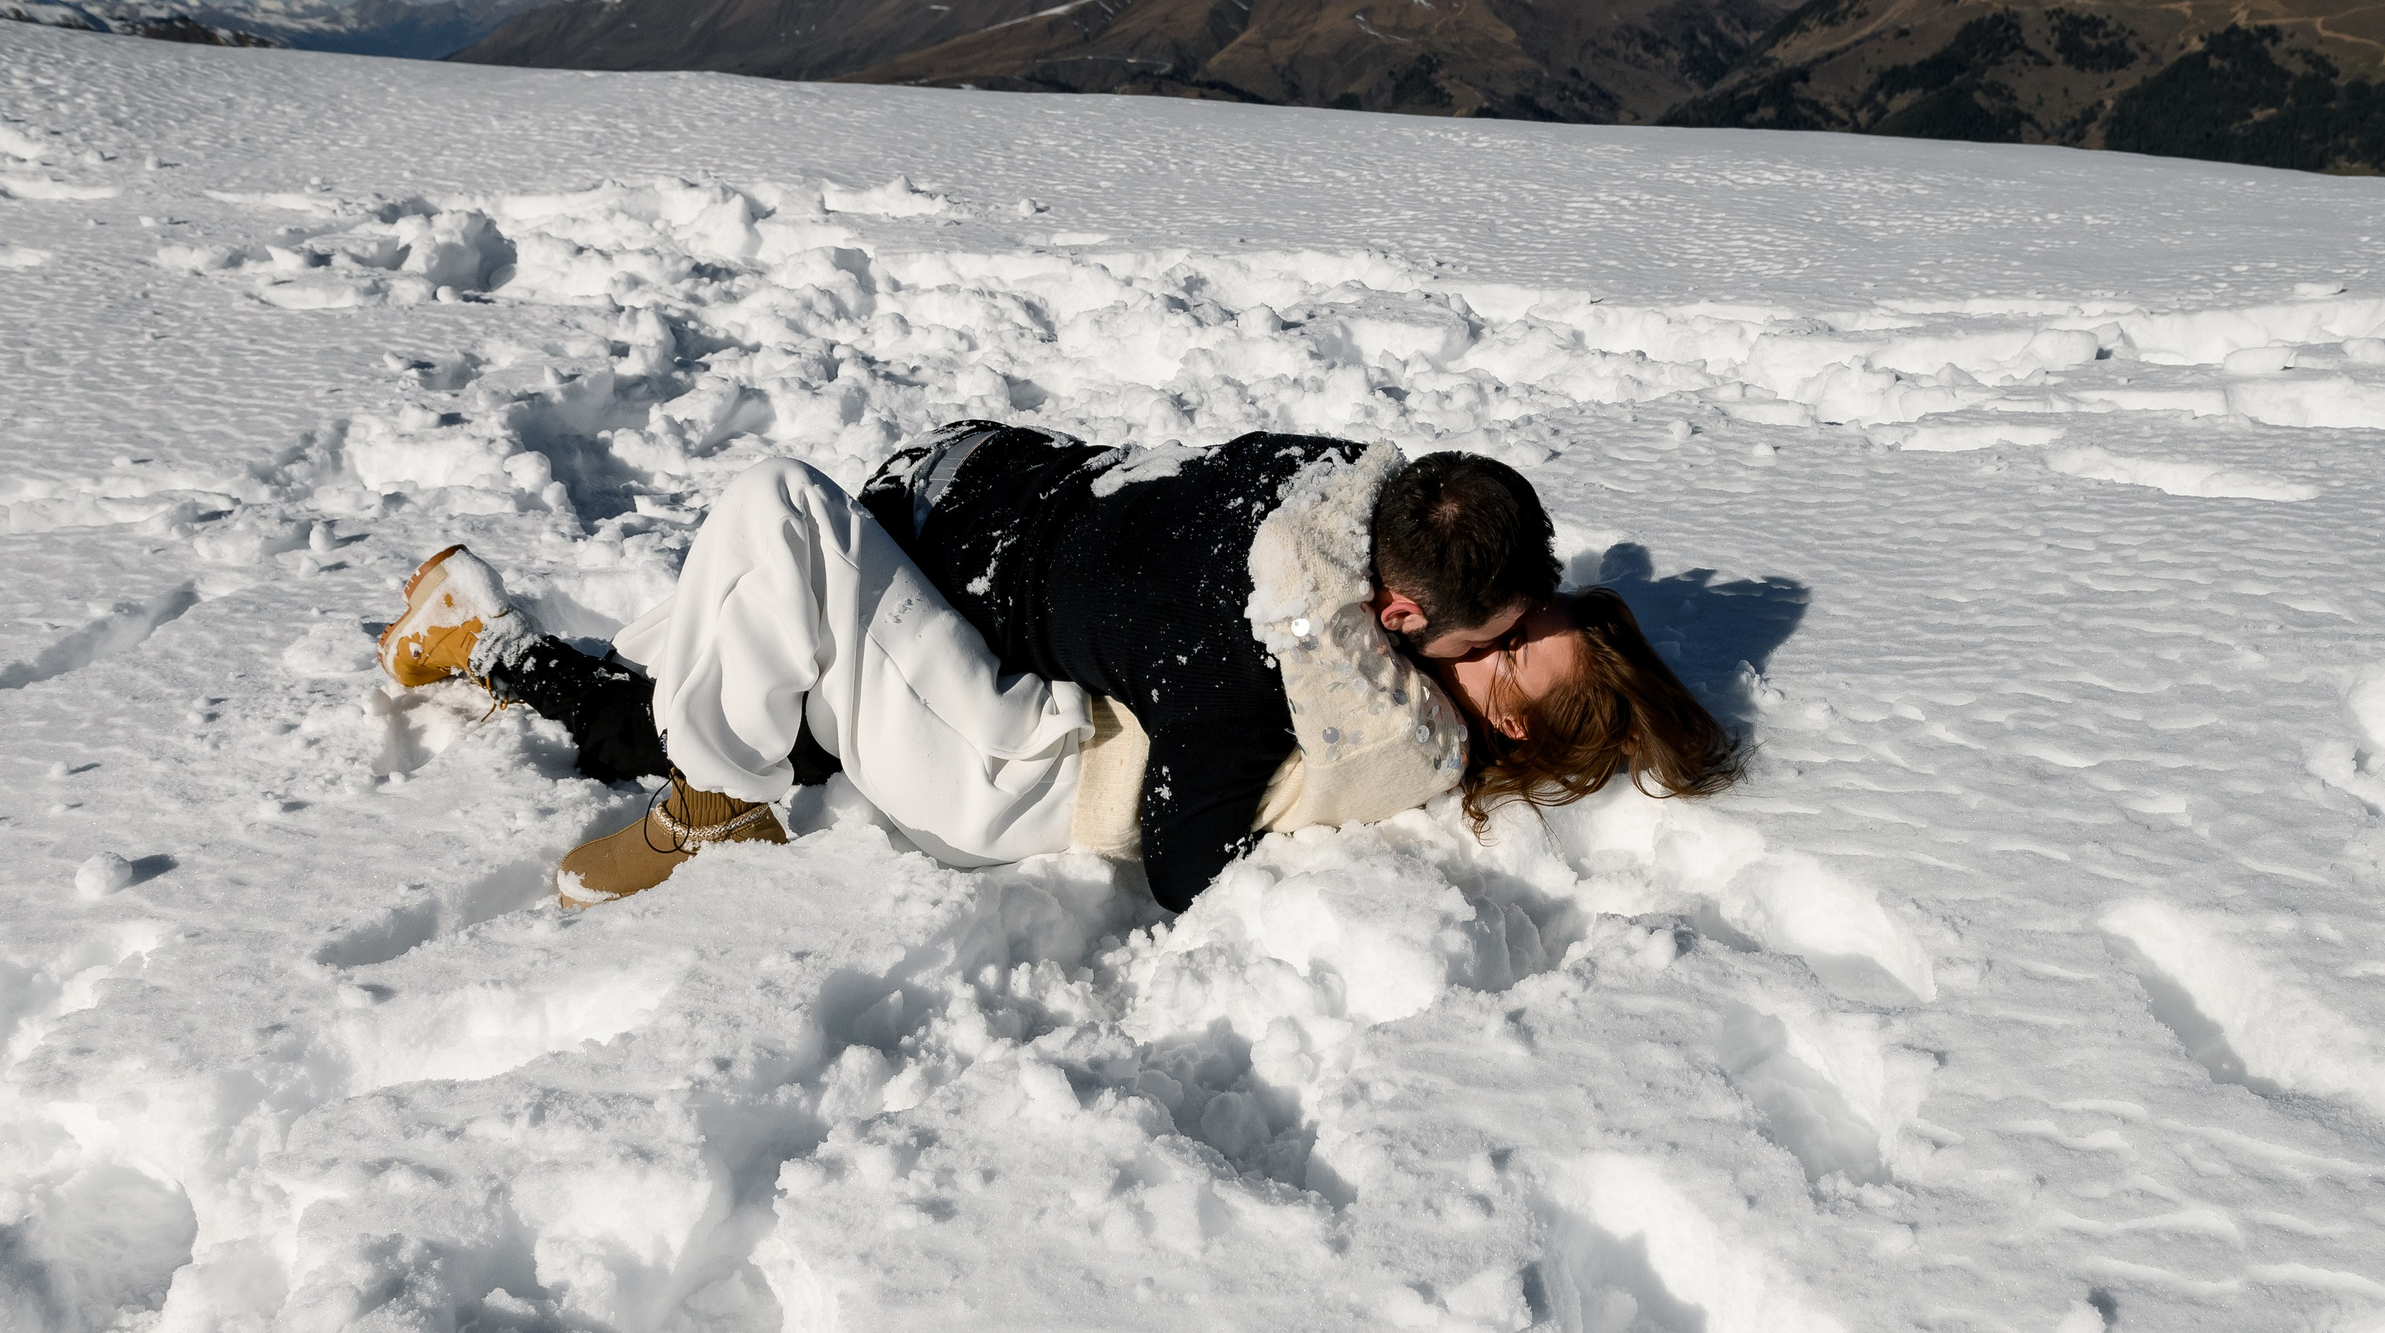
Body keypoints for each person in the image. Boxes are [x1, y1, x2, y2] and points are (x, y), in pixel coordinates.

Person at [376, 423, 1735, 912]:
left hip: (987, 719)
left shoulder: (1286, 664)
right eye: (1508, 625)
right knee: (697, 660)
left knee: (769, 525)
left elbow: (1189, 857)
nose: (1500, 642)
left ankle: (708, 794)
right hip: (966, 542)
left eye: (1510, 656)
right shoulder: (1338, 519)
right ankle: (493, 650)